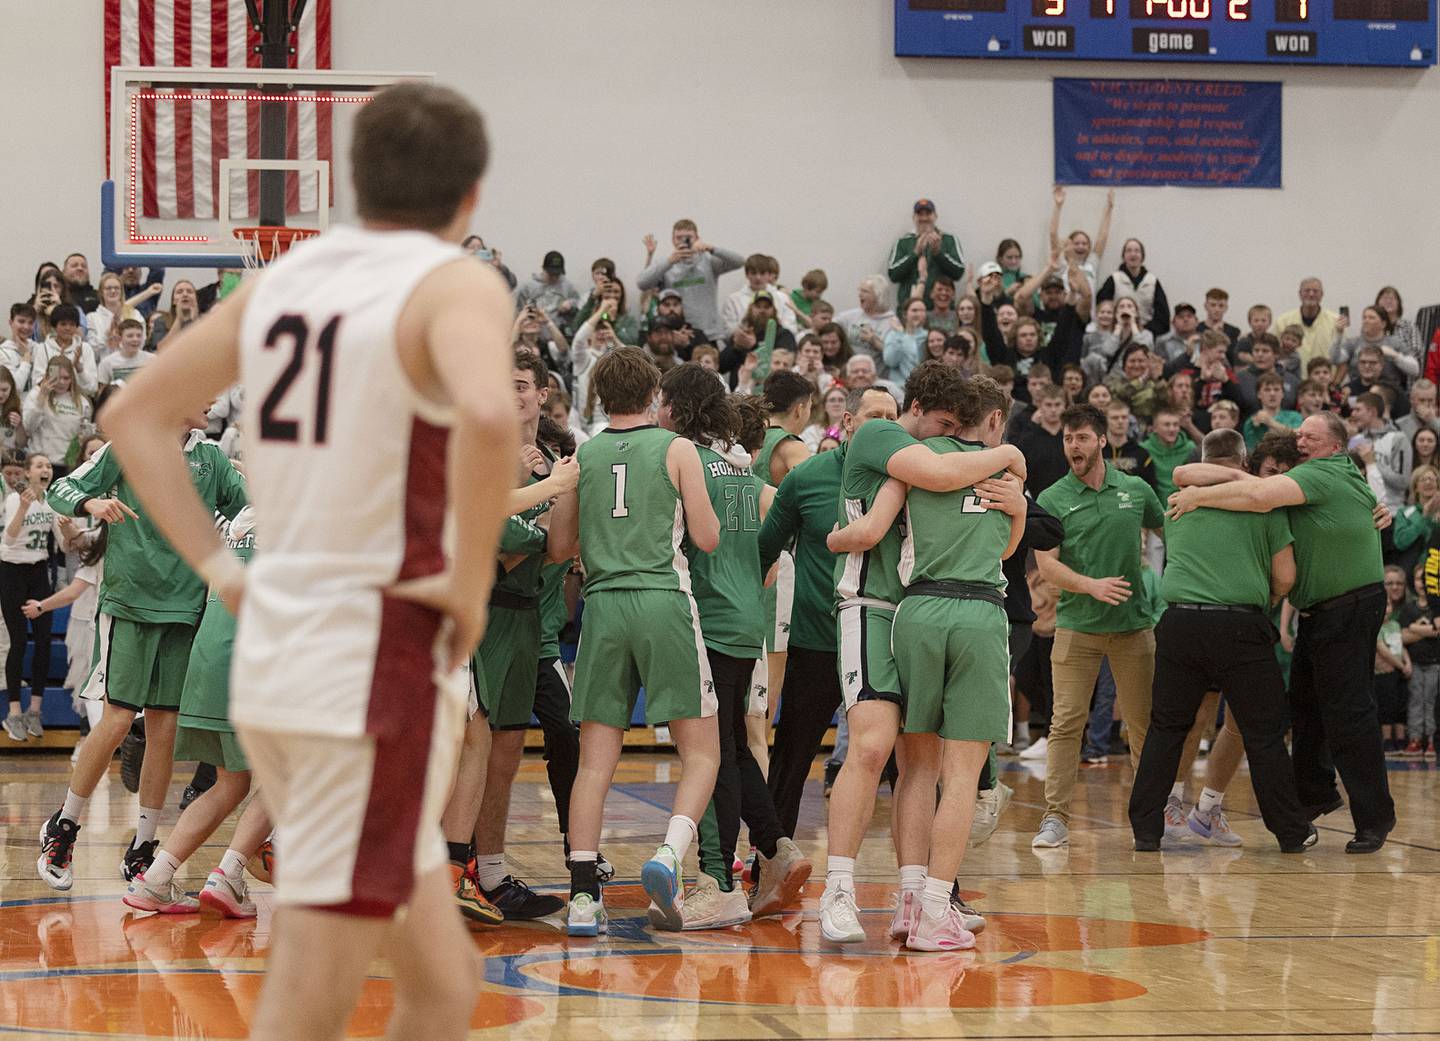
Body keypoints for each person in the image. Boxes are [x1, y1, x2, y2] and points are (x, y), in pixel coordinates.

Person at [94, 83, 520, 1041]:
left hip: (283, 650)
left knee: (444, 984)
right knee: (312, 992)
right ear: (470, 198)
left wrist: (221, 568)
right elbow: (492, 416)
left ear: (355, 180)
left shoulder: (287, 277)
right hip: (366, 659)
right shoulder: (453, 281)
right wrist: (466, 578)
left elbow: (133, 415)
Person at [817, 361, 1024, 944]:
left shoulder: (935, 457)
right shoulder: (889, 437)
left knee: (922, 761)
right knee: (873, 746)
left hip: (915, 612)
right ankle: (838, 891)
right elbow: (926, 482)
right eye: (943, 423)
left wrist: (1016, 494)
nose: (947, 436)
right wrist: (1012, 457)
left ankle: (917, 898)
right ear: (919, 411)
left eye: (959, 427)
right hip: (870, 606)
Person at [1169, 412, 1395, 852]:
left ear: (1334, 446)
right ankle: (1315, 796)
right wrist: (1222, 479)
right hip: (1320, 612)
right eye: (1298, 434)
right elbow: (1187, 472)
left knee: (1350, 715)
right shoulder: (1315, 482)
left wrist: (1200, 498)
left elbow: (1256, 495)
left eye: (1309, 435)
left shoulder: (1324, 474)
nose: (1300, 439)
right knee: (1306, 711)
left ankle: (1374, 819)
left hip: (1349, 606)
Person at [565, 346, 721, 936]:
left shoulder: (584, 454)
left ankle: (583, 896)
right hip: (663, 599)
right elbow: (705, 539)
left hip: (603, 605)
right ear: (655, 393)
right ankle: (668, 856)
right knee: (702, 752)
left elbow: (560, 547)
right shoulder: (677, 448)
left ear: (600, 395)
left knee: (594, 763)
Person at [658, 369, 810, 927]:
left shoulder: (689, 465)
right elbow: (771, 541)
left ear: (679, 408)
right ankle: (775, 846)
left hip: (710, 618)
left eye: (664, 400)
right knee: (734, 747)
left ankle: (718, 879)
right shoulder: (744, 473)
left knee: (710, 753)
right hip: (748, 620)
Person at [1128, 428, 1316, 853]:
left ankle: (1145, 829)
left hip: (1180, 624)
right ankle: (1290, 832)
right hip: (1239, 626)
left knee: (1166, 729)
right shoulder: (1264, 504)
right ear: (1245, 460)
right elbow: (1285, 577)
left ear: (1203, 457)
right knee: (1265, 733)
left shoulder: (1177, 504)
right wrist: (1259, 600)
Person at [759, 386, 899, 839]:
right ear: (849, 421)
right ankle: (771, 866)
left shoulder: (906, 478)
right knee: (792, 760)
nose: (883, 425)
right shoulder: (807, 478)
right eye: (874, 415)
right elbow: (764, 550)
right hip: (818, 641)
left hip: (885, 642)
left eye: (891, 417)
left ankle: (935, 885)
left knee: (908, 767)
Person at [120, 505, 274, 917]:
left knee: (230, 782)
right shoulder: (301, 518)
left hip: (205, 657)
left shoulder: (241, 518)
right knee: (289, 777)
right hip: (247, 658)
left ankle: (155, 879)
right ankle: (231, 872)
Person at [1032, 403, 1164, 848]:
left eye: (1083, 437)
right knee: (1066, 723)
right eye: (1069, 438)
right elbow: (1047, 565)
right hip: (1077, 625)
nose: (1074, 445)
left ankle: (1149, 819)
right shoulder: (1052, 498)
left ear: (1102, 441)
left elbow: (1172, 533)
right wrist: (1089, 585)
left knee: (1143, 725)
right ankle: (1055, 818)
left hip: (1133, 626)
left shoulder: (1136, 490)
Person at [0, 453, 64, 743]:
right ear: (27, 473)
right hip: (12, 571)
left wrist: (69, 527)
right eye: (40, 465)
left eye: (48, 465)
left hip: (39, 570)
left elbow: (63, 544)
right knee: (18, 641)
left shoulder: (51, 501)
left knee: (43, 641)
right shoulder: (16, 499)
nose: (46, 469)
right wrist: (23, 509)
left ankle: (34, 711)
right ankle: (14, 712)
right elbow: (9, 539)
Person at [636, 220, 744, 342]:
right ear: (673, 240)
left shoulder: (708, 261)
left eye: (688, 237)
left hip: (710, 334)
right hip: (679, 334)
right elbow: (642, 283)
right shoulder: (667, 264)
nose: (684, 242)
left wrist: (712, 248)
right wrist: (669, 261)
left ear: (697, 238)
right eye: (679, 238)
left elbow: (739, 262)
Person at [886, 198, 965, 307]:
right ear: (914, 217)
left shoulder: (949, 240)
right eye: (920, 214)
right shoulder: (903, 242)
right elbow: (893, 275)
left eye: (928, 214)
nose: (924, 218)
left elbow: (959, 273)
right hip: (910, 311)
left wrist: (938, 253)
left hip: (941, 312)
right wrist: (914, 253)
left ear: (935, 216)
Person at [1095, 238, 1169, 339]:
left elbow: (1162, 315)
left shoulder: (1152, 281)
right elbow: (1101, 307)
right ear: (1123, 256)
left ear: (1142, 256)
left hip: (1145, 333)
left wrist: (1144, 330)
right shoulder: (1114, 279)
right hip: (1117, 334)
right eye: (1129, 251)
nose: (1133, 254)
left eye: (1137, 251)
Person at [1275, 277, 1343, 366]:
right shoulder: (1283, 321)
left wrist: (1335, 381)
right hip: (1292, 378)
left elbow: (1344, 360)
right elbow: (1273, 353)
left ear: (1322, 295)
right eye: (1307, 290)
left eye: (1315, 291)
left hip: (1325, 378)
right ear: (1300, 294)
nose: (1311, 294)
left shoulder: (1337, 322)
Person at [97, 319, 153, 386]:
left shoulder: (152, 359)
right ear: (120, 338)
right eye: (130, 336)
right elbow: (102, 392)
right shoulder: (107, 363)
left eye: (139, 336)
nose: (135, 339)